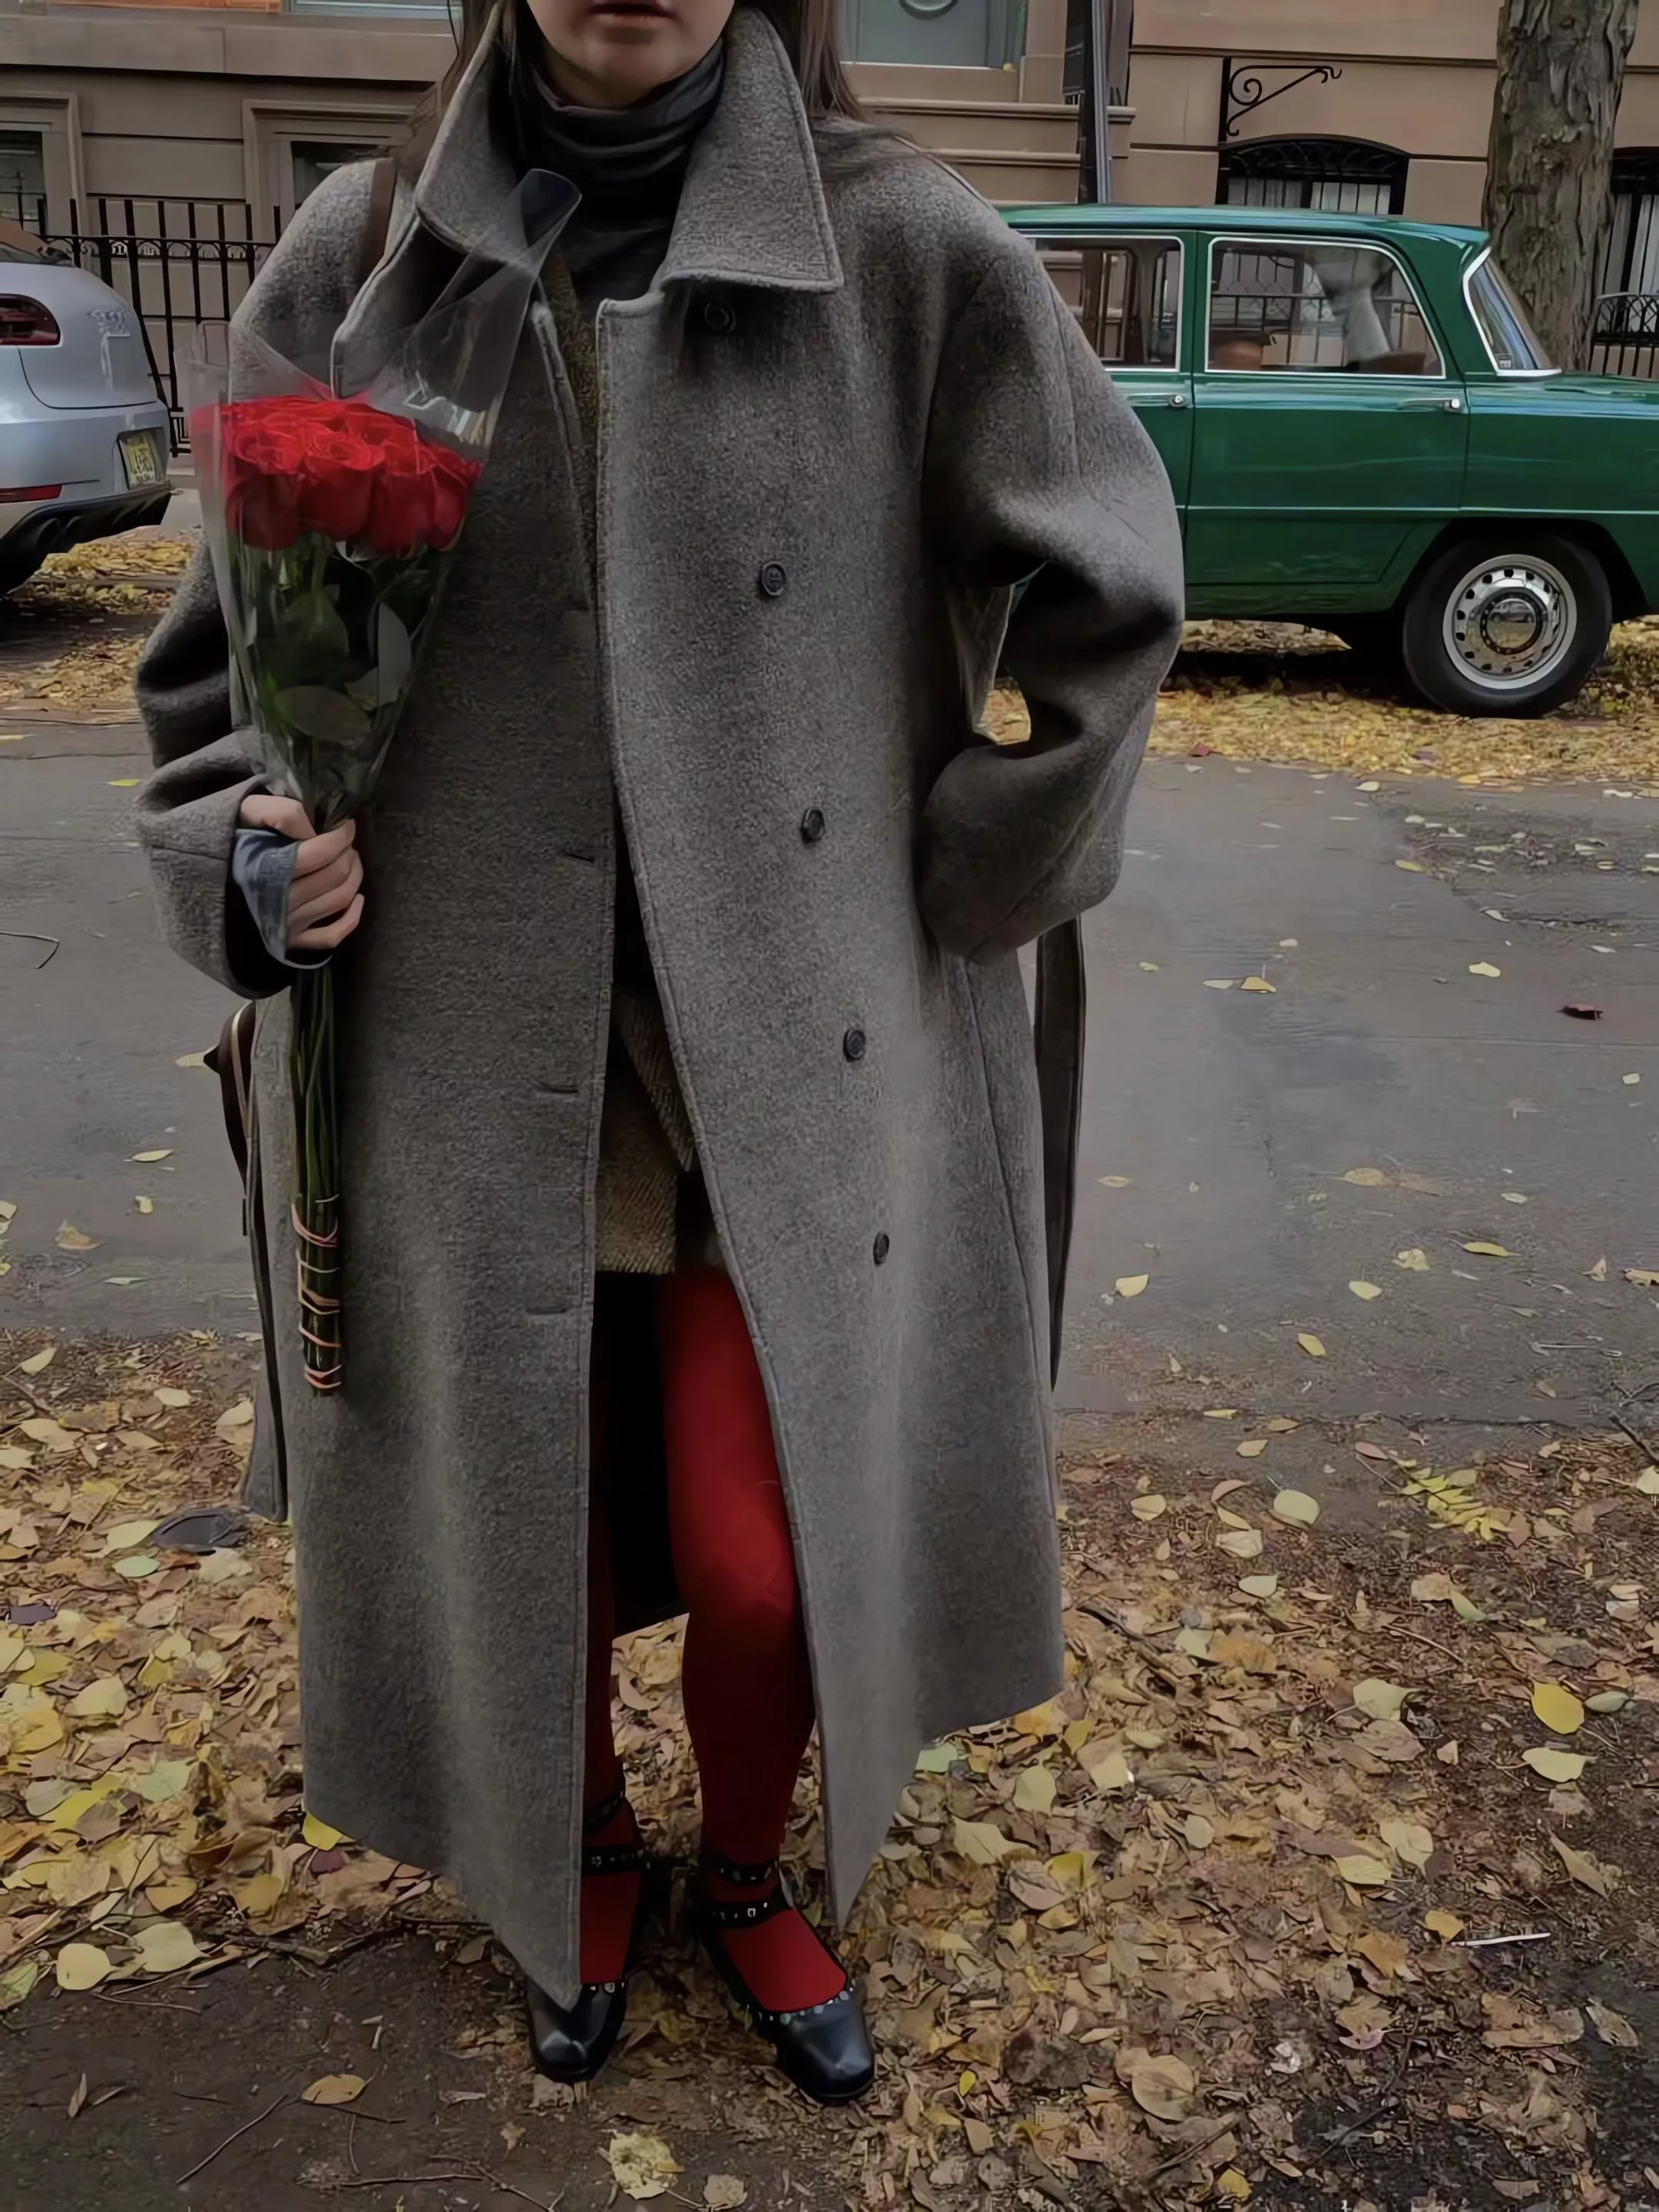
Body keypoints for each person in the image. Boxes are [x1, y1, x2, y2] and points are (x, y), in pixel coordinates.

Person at [134, 0, 1182, 2105]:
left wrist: (968, 866)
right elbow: (223, 673)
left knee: (763, 1559)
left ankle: (748, 1863)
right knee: (526, 1516)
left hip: (789, 1054)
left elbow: (1112, 588)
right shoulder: (356, 260)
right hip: (459, 1046)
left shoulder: (904, 248)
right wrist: (244, 856)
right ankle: (582, 1848)